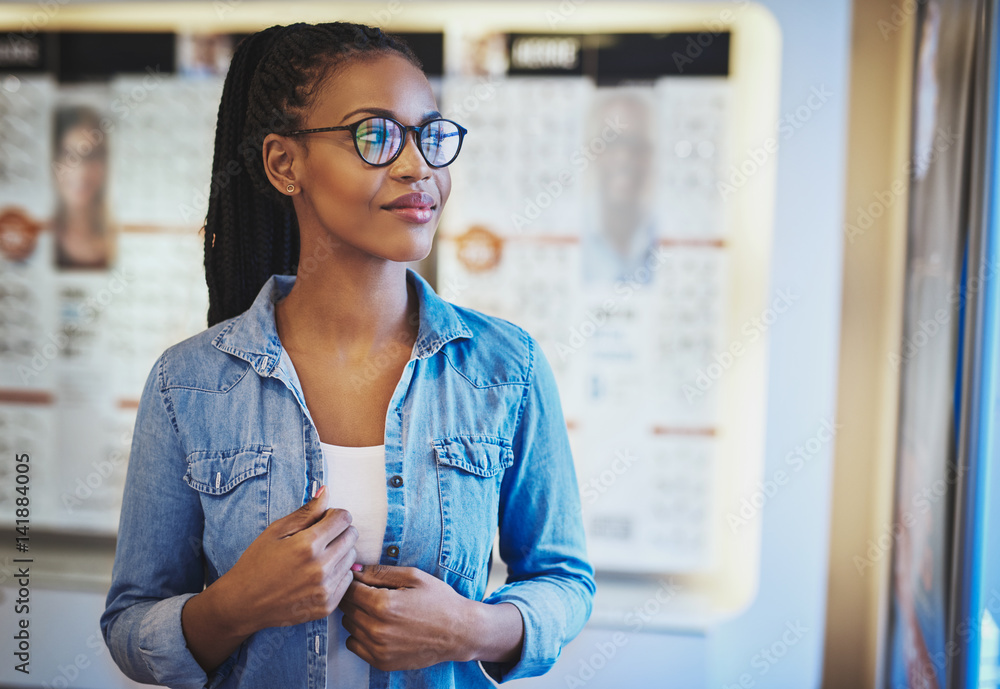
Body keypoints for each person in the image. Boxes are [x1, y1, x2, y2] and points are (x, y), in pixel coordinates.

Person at [101, 21, 595, 689]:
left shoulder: (507, 367)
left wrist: (470, 626)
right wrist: (233, 604)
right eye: (376, 135)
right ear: (285, 163)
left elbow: (565, 581)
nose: (418, 165)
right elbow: (131, 626)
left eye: (430, 135)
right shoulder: (186, 383)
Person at [51, 105, 114, 270]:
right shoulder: (35, 232)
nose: (82, 172)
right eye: (68, 155)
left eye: (92, 156)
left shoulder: (122, 236)